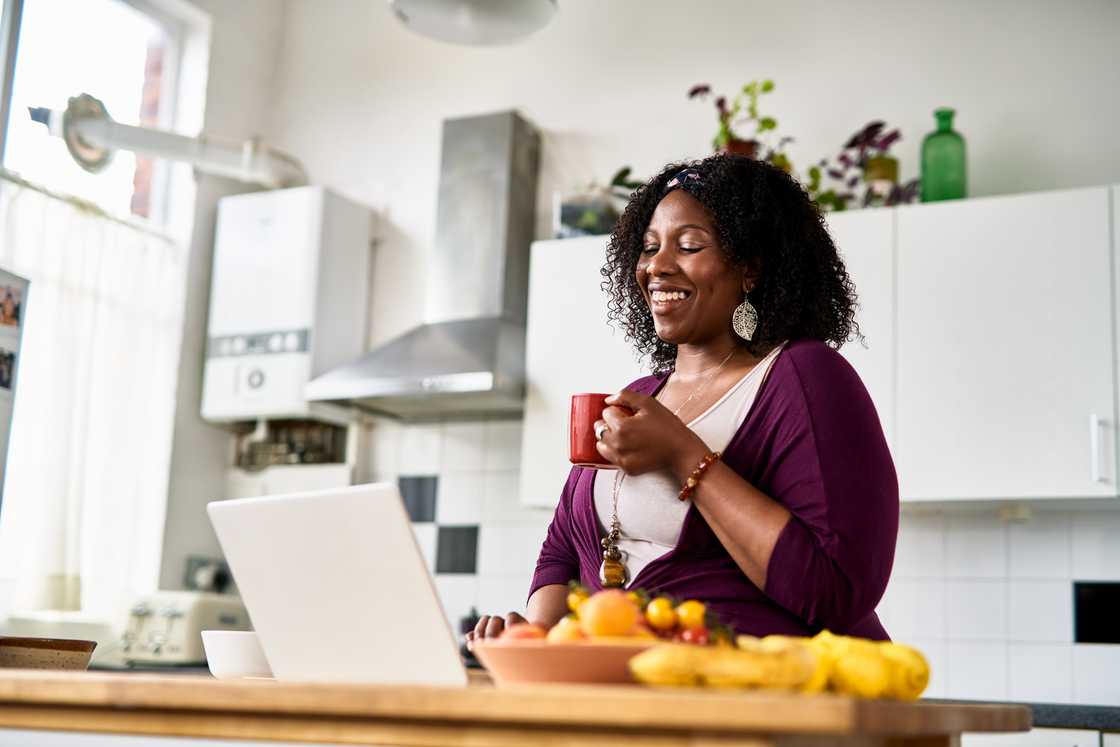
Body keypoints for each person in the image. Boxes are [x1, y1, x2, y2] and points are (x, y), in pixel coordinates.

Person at [468, 154, 898, 646]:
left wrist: (683, 454)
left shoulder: (804, 376)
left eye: (689, 246)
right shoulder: (639, 396)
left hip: (769, 683)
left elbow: (835, 588)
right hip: (632, 681)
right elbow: (564, 549)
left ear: (750, 270)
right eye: (649, 247)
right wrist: (535, 636)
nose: (656, 266)